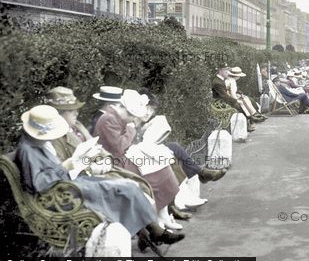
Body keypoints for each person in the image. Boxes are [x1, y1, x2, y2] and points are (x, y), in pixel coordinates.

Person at [16, 105, 184, 251]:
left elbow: (49, 174)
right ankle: (149, 234)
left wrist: (75, 163)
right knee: (121, 190)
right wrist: (69, 165)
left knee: (127, 186)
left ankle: (150, 232)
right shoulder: (28, 150)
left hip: (66, 187)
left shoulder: (36, 145)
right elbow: (42, 184)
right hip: (60, 195)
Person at [93, 90, 181, 230]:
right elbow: (119, 147)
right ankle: (151, 219)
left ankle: (159, 215)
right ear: (122, 108)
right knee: (156, 174)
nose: (131, 119)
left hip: (122, 157)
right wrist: (131, 129)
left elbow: (123, 144)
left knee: (162, 166)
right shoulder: (108, 119)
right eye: (130, 115)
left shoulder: (115, 117)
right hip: (113, 161)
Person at [212, 65, 260, 132]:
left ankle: (249, 121)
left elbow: (227, 94)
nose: (227, 72)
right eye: (225, 70)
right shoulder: (217, 82)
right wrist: (235, 101)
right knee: (240, 106)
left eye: (227, 70)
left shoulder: (221, 80)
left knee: (243, 103)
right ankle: (247, 124)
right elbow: (224, 96)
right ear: (220, 70)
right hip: (220, 102)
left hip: (223, 100)